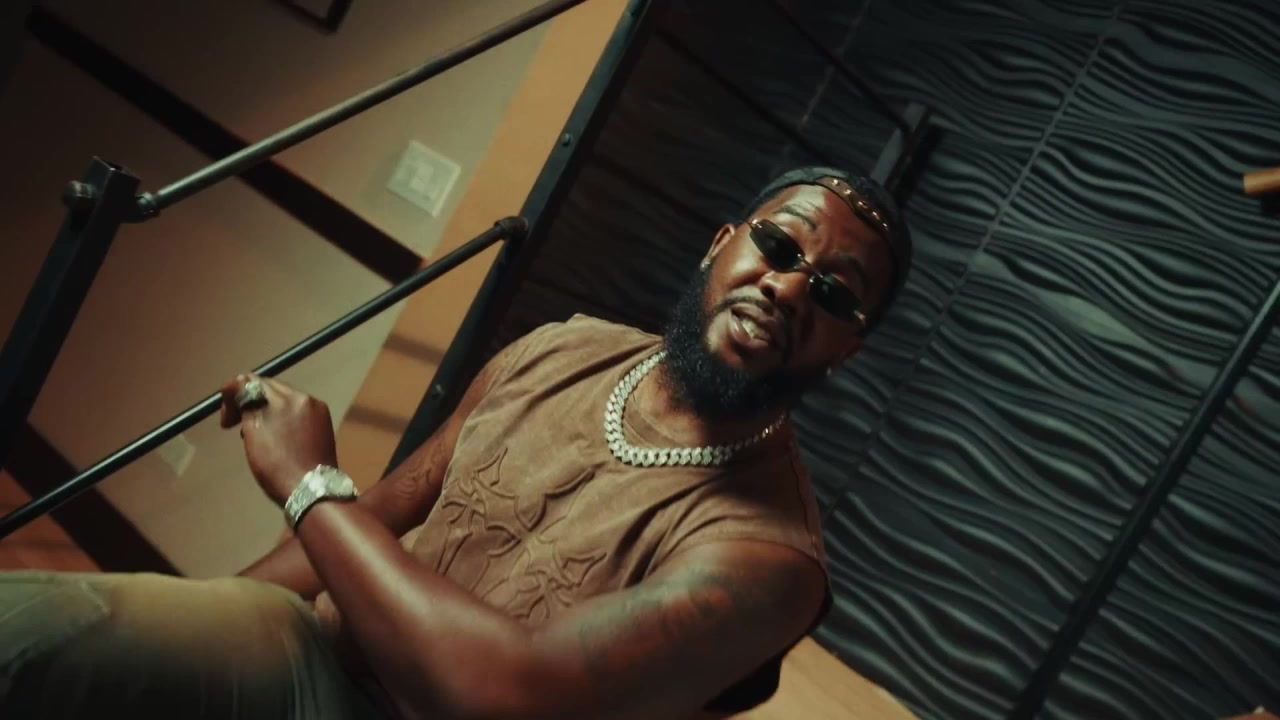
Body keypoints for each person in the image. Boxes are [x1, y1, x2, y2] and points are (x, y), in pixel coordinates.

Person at [0, 166, 911, 720]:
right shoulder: (565, 348)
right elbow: (380, 518)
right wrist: (197, 615)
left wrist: (311, 485)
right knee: (36, 630)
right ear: (722, 245)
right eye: (779, 248)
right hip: (308, 653)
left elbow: (499, 697)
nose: (789, 289)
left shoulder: (769, 563)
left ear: (848, 349)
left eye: (835, 294)